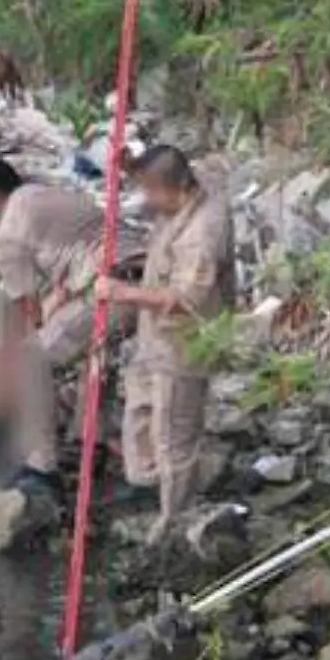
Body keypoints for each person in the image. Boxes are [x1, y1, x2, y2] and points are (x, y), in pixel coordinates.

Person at [0, 156, 138, 498]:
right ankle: (89, 444)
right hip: (145, 280)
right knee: (94, 355)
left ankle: (42, 469)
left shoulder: (10, 232)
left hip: (110, 291)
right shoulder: (53, 196)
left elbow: (25, 317)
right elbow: (61, 288)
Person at [93, 145, 235, 542]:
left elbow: (186, 299)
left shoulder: (203, 232)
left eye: (148, 192)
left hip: (185, 342)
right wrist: (129, 166)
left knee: (173, 434)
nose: (146, 202)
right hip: (153, 337)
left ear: (169, 188)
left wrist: (122, 292)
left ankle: (173, 521)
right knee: (139, 416)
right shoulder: (190, 189)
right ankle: (152, 482)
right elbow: (186, 167)